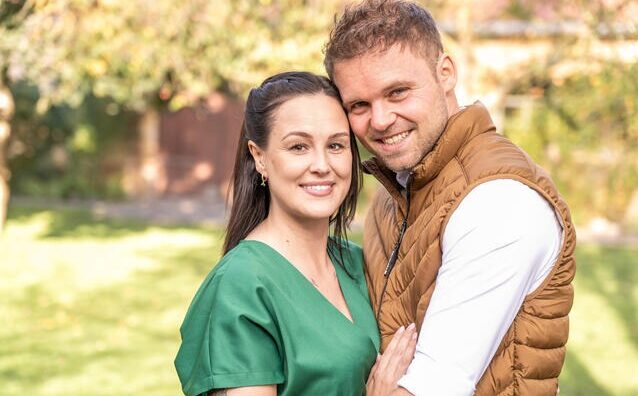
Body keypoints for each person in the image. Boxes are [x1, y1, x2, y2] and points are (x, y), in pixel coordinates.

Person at [323, 1, 576, 395]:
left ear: (445, 73)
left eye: (398, 92)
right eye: (359, 105)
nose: (380, 120)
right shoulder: (395, 194)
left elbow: (433, 385)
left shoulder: (499, 203)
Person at [175, 71, 417, 396]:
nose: (321, 164)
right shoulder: (240, 286)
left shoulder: (357, 262)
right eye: (299, 146)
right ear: (259, 157)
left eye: (335, 145)